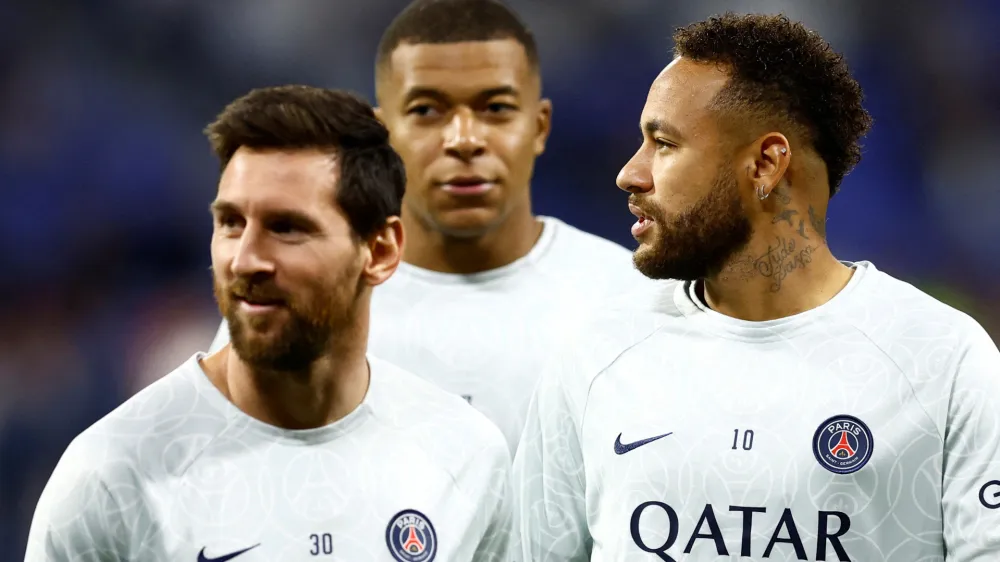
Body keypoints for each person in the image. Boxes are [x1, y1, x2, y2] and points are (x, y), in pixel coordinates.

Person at [512, 12, 1000, 561]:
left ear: (766, 164)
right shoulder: (597, 355)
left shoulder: (941, 361)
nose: (631, 173)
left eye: (664, 144)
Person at [25, 86, 512, 562]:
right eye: (231, 223)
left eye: (286, 228)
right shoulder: (114, 476)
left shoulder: (462, 455)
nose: (245, 260)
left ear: (380, 251)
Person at [208, 0, 649, 455]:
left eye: (496, 108)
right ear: (383, 135)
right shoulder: (300, 299)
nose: (464, 140)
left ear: (539, 127)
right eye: (426, 111)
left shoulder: (626, 301)